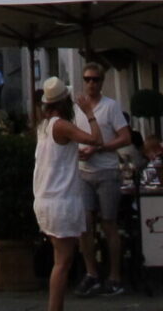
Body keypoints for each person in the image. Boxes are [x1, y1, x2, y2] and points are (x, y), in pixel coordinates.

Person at [35, 76, 119, 311]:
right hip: (61, 200)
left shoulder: (43, 126)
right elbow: (96, 139)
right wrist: (89, 113)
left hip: (46, 198)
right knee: (63, 262)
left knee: (60, 259)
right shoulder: (61, 125)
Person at [72, 63, 132, 299]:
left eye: (95, 79)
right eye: (87, 79)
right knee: (84, 224)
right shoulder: (77, 108)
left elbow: (125, 137)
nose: (91, 83)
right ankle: (91, 273)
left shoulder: (111, 107)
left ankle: (115, 276)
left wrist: (100, 148)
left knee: (109, 223)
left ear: (102, 82)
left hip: (106, 172)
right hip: (83, 171)